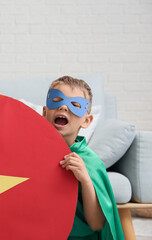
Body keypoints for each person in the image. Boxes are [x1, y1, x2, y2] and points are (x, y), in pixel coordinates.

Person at [42, 75, 124, 239]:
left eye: (75, 105)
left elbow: (97, 224)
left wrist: (85, 179)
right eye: (57, 100)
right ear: (44, 112)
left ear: (86, 121)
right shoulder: (34, 151)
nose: (64, 107)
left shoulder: (90, 162)